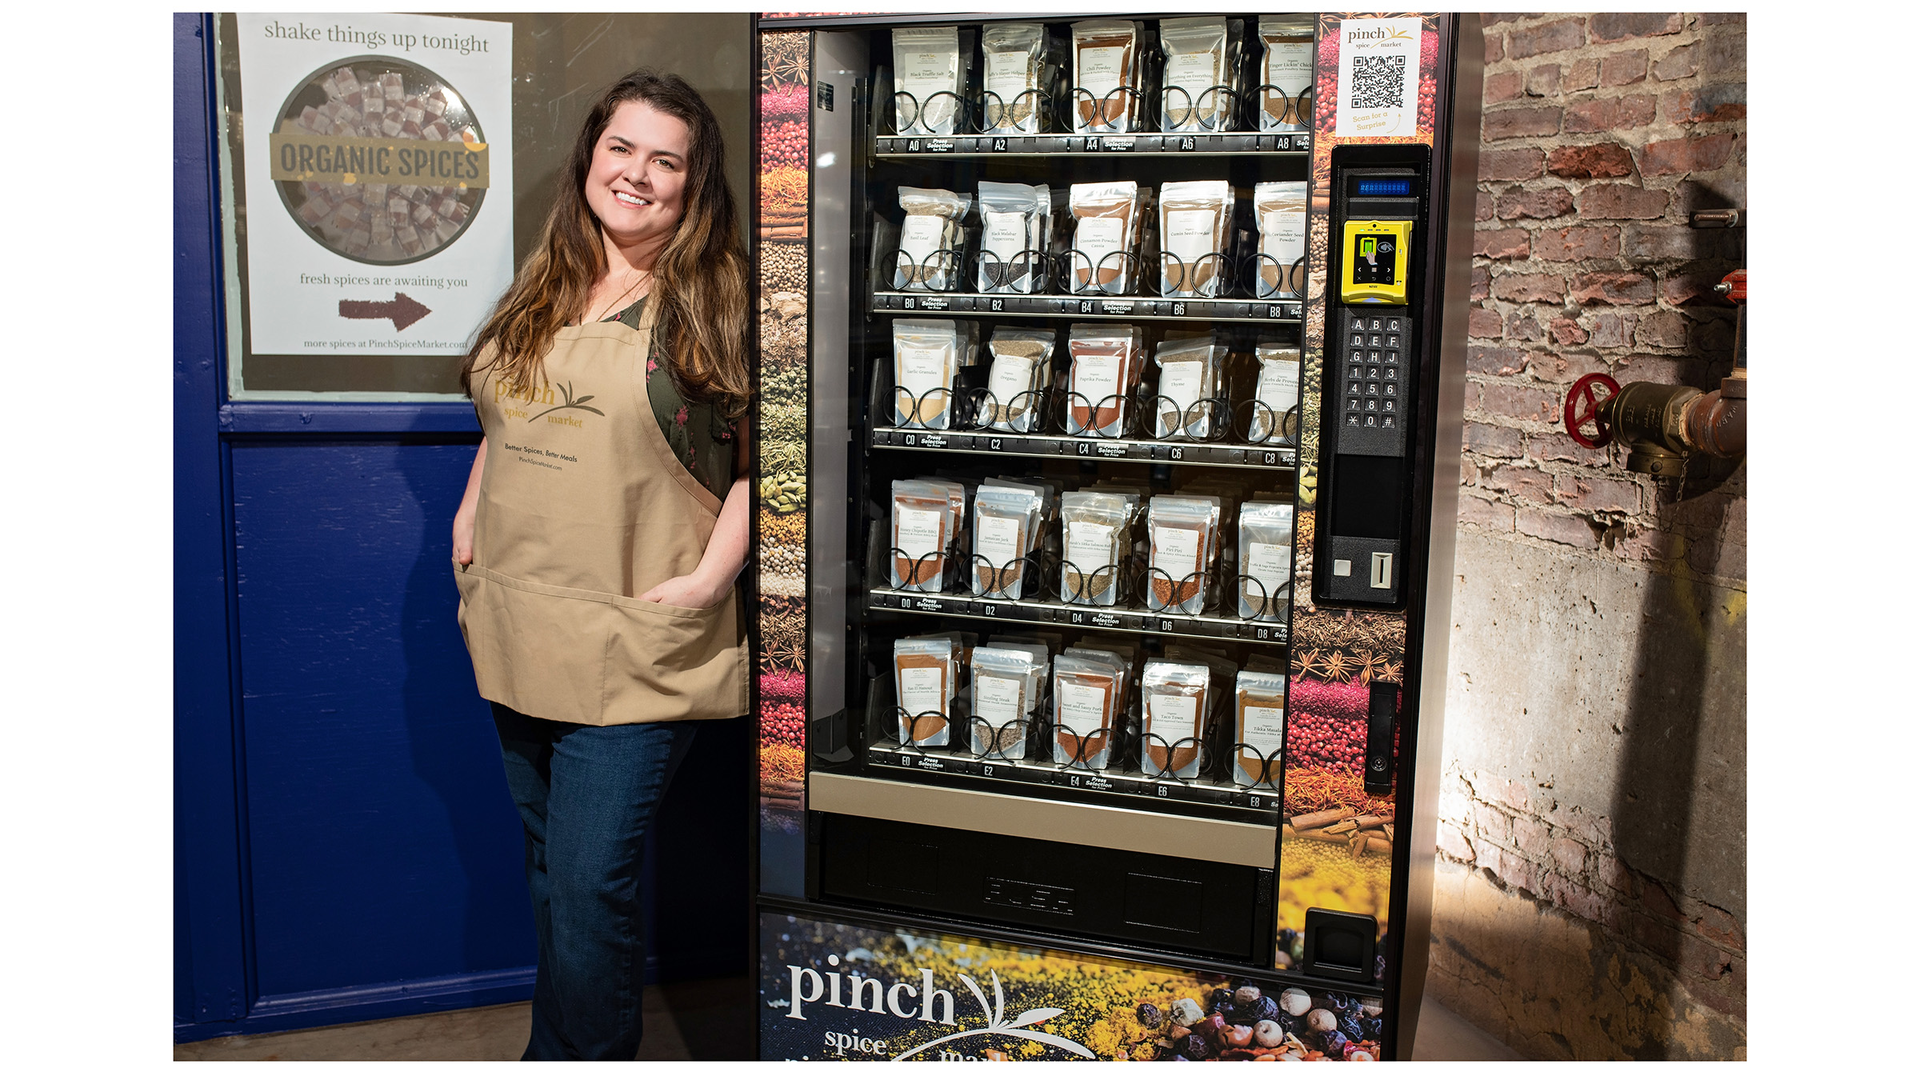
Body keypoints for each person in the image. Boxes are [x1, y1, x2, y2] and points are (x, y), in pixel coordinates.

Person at [449, 69, 752, 1061]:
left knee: (587, 885)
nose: (637, 174)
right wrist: (467, 509)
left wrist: (709, 582)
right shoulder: (546, 282)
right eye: (621, 148)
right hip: (520, 616)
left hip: (634, 639)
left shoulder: (718, 299)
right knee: (550, 873)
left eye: (666, 160)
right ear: (590, 156)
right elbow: (504, 410)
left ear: (693, 183)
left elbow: (773, 469)